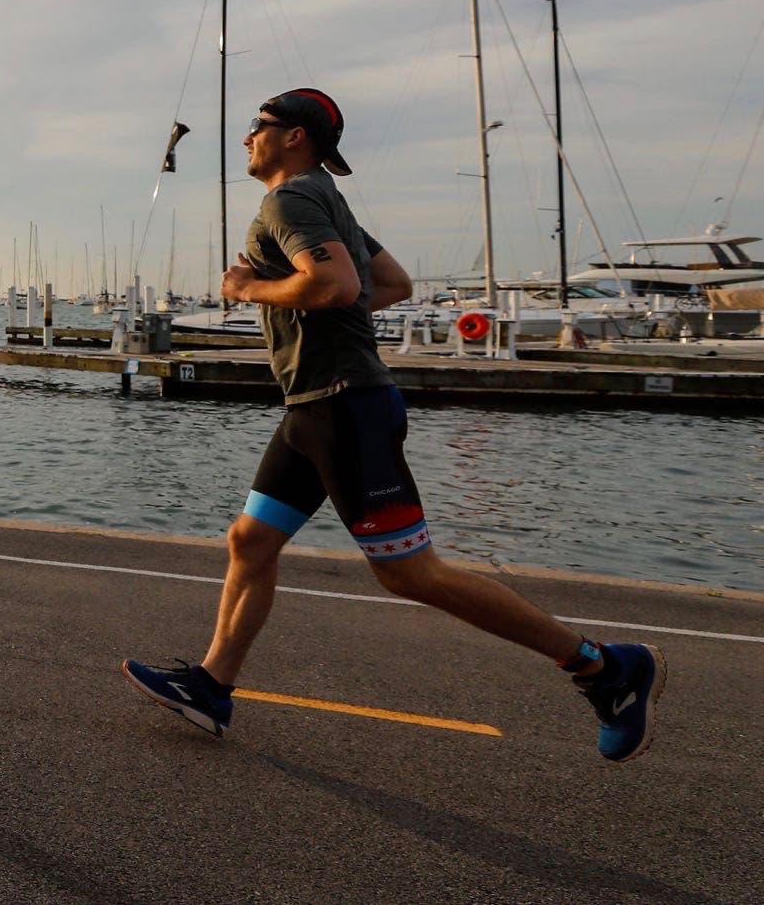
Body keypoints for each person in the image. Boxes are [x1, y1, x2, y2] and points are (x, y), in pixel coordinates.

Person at [122, 88, 665, 762]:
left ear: (294, 137)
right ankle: (211, 685)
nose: (246, 139)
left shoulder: (290, 199)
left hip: (343, 406)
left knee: (411, 574)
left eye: (257, 127)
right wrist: (322, 309)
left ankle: (604, 668)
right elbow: (394, 282)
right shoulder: (327, 198)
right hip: (314, 407)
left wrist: (248, 289)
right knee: (250, 539)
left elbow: (339, 287)